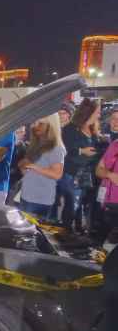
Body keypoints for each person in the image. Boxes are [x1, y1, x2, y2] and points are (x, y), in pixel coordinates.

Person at [59, 98, 100, 231]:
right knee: (72, 205)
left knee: (79, 204)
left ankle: (76, 231)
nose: (99, 115)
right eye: (97, 112)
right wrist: (81, 151)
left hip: (86, 174)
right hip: (72, 174)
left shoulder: (93, 129)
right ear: (89, 113)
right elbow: (63, 150)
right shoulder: (70, 129)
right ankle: (66, 232)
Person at [18, 113, 65, 218]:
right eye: (35, 122)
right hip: (27, 195)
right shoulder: (37, 143)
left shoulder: (56, 148)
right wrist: (23, 165)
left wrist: (34, 167)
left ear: (50, 125)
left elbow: (57, 174)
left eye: (40, 123)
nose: (35, 126)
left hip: (40, 199)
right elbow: (26, 167)